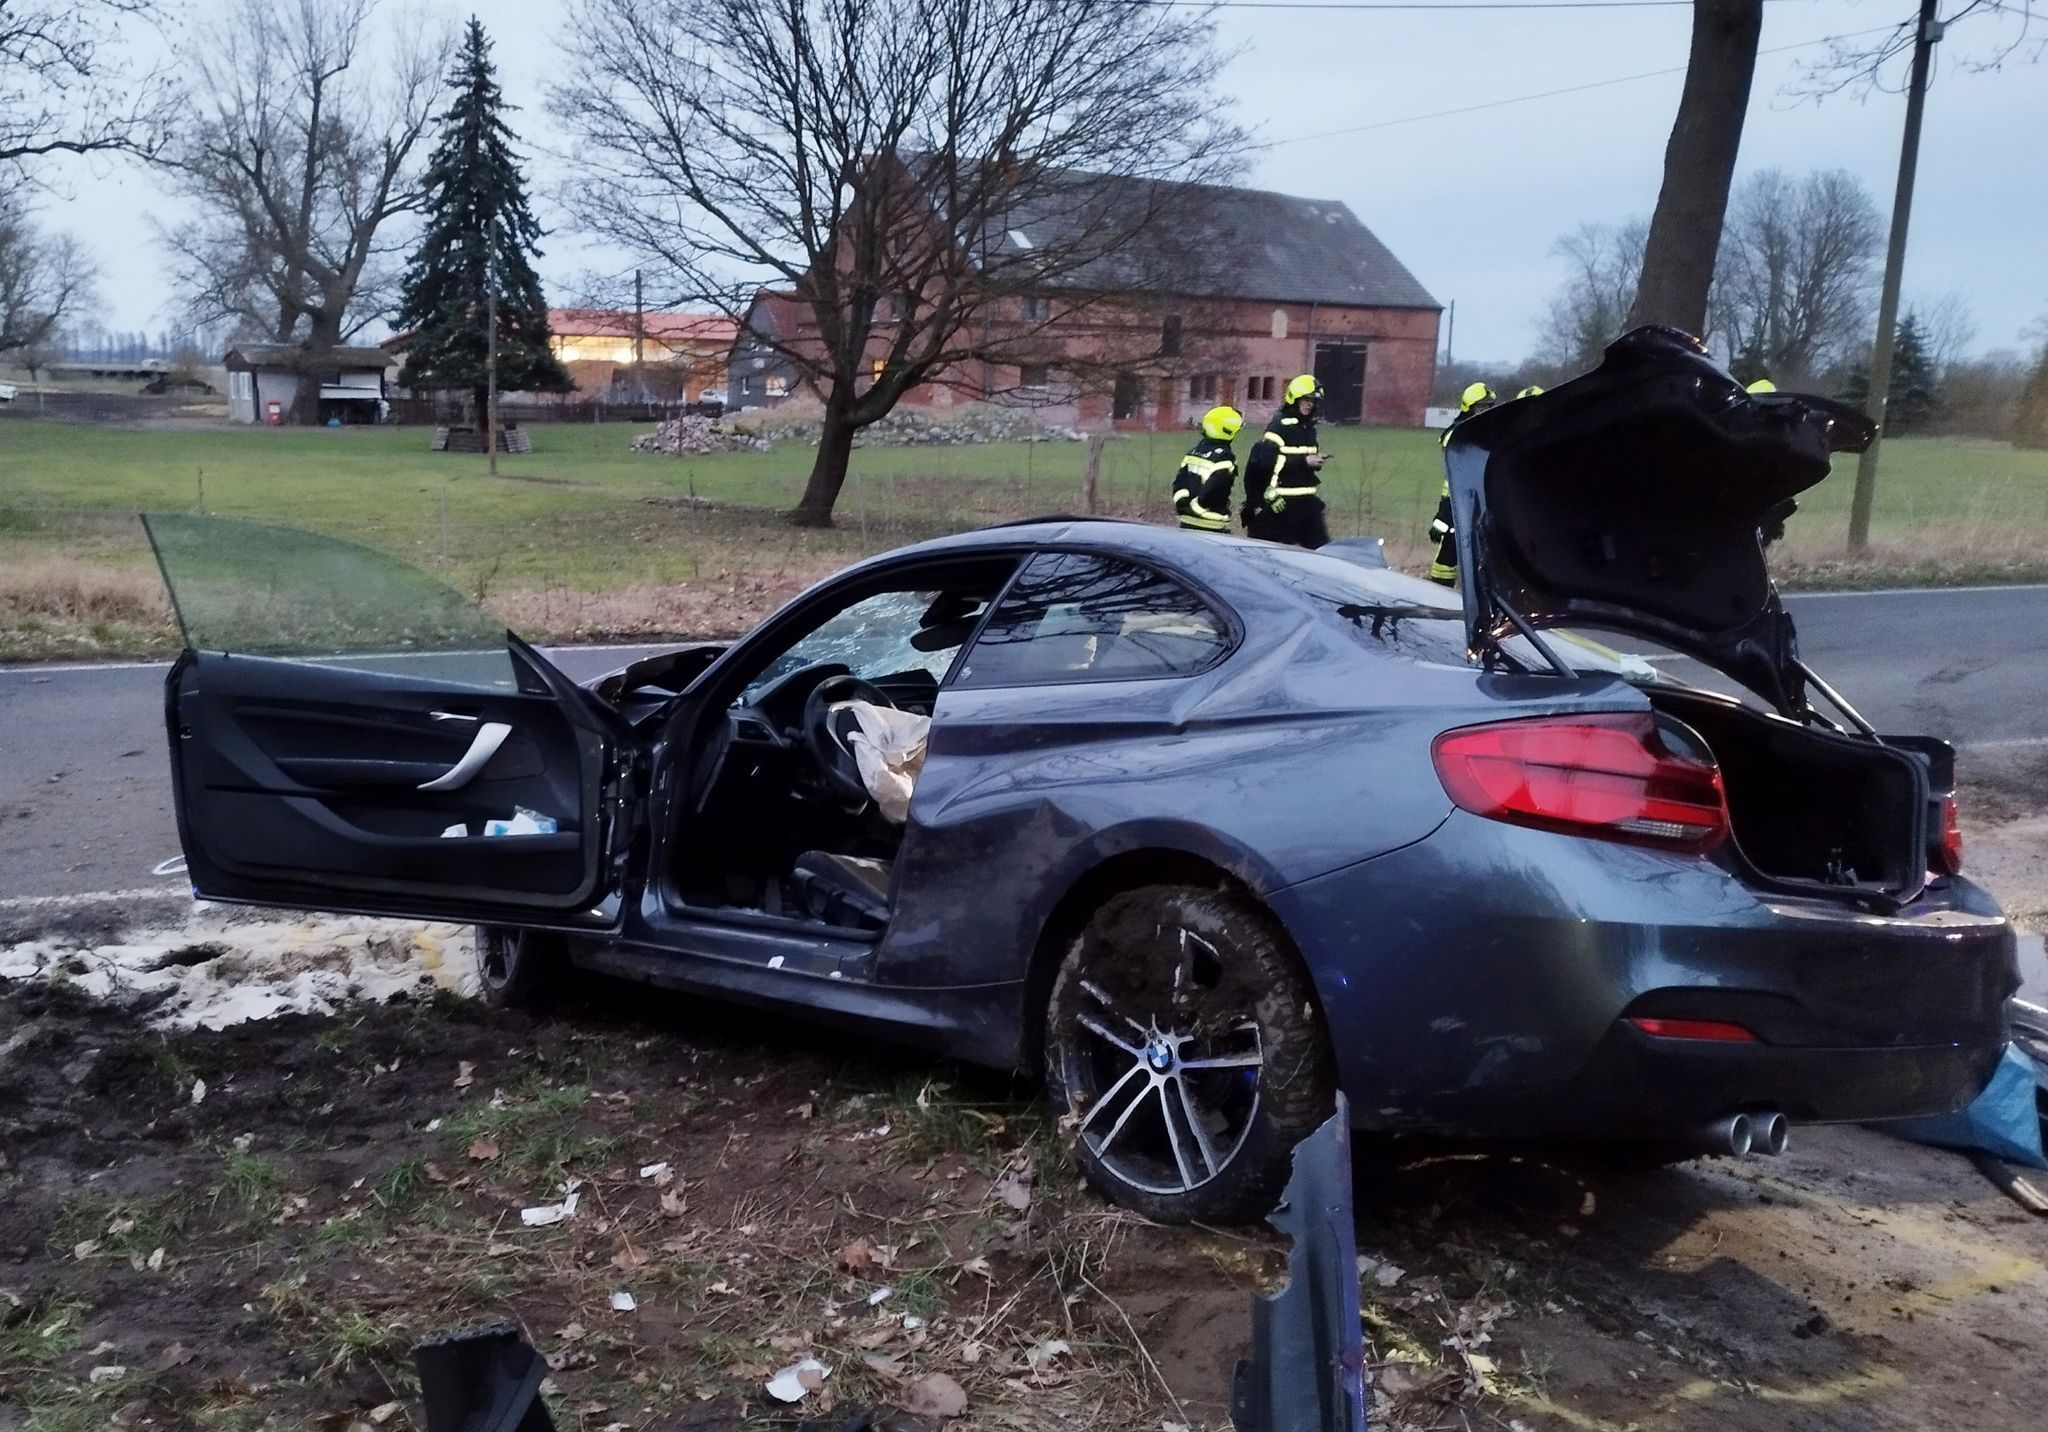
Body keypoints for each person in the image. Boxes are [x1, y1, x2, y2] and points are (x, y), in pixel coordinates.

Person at [1243, 374, 1329, 548]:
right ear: (1294, 399)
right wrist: (1304, 462)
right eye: (1306, 400)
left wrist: (1315, 461)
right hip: (1281, 505)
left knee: (1322, 552)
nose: (1310, 405)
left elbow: (1299, 459)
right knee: (1269, 554)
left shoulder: (1309, 428)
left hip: (1307, 504)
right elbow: (1265, 464)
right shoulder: (1279, 427)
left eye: (1313, 401)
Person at [1426, 381, 1499, 585]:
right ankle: (1438, 590)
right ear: (1469, 408)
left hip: (1483, 499)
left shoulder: (1489, 431)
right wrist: (1443, 517)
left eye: (1488, 407)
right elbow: (1454, 478)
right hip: (1458, 500)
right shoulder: (1457, 434)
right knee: (1449, 550)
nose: (1485, 411)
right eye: (1481, 407)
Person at [1171, 405, 1244, 532]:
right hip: (1211, 524)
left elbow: (1179, 483)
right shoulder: (1224, 457)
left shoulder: (1193, 452)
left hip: (1186, 521)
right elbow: (1214, 490)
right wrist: (1197, 509)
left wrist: (1183, 506)